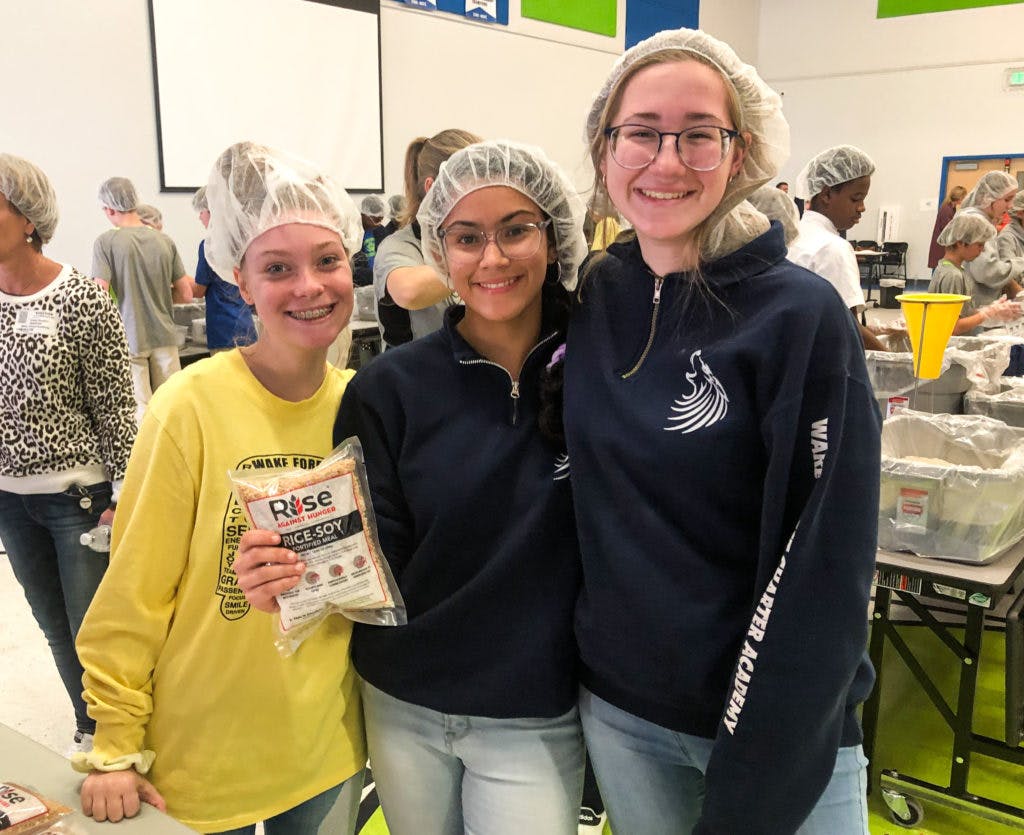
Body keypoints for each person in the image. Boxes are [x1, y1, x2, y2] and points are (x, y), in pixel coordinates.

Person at [566, 28, 881, 834]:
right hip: (625, 709)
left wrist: (771, 741)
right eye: (641, 133)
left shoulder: (798, 317)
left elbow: (829, 555)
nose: (666, 162)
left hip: (784, 722)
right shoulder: (597, 297)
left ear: (740, 153)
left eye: (698, 135)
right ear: (604, 149)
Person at [234, 139, 589, 835]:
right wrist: (286, 574)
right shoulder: (390, 388)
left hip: (535, 708)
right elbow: (371, 549)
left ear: (553, 239)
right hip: (404, 700)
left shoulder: (600, 373)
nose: (492, 258)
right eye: (467, 237)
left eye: (516, 230)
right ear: (438, 250)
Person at [72, 142, 367, 834]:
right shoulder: (190, 406)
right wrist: (115, 743)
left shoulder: (366, 403)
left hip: (325, 748)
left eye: (327, 260)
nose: (309, 286)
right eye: (277, 267)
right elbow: (135, 588)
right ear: (241, 280)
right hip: (202, 757)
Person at [0, 153, 136, 757]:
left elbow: (117, 408)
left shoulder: (80, 298)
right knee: (53, 626)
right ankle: (89, 728)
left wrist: (123, 498)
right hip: (9, 501)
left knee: (93, 631)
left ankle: (120, 735)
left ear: (28, 217)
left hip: (77, 501)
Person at [92, 177, 192, 424]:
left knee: (140, 413)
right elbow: (186, 294)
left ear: (110, 209)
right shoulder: (164, 241)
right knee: (173, 407)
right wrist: (158, 301)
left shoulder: (106, 242)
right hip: (165, 337)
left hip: (129, 338)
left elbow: (99, 293)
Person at [373, 128, 480, 349]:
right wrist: (482, 262)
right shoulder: (398, 246)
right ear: (433, 189)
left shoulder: (478, 241)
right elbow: (409, 291)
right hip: (410, 369)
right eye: (472, 185)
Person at [789, 145, 886, 350]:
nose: (862, 208)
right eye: (856, 198)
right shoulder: (833, 248)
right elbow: (848, 329)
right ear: (826, 194)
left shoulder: (795, 234)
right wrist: (898, 360)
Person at [928, 211, 1020, 335]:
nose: (982, 250)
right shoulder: (952, 276)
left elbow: (964, 314)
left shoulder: (951, 269)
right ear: (960, 243)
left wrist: (993, 312)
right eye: (979, 245)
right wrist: (985, 314)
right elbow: (952, 327)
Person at [190, 186, 257, 351]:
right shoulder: (241, 241)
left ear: (211, 211)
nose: (200, 217)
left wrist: (180, 283)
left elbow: (199, 291)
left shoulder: (209, 246)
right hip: (246, 326)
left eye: (201, 212)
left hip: (223, 330)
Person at [960, 171, 1023, 308]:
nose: (1010, 206)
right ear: (989, 197)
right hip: (974, 302)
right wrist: (1020, 263)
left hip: (979, 302)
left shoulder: (981, 219)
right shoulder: (977, 222)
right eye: (1007, 200)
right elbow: (986, 271)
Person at [927, 185, 966, 269]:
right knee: (940, 270)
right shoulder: (947, 209)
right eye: (964, 197)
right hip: (941, 246)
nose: (964, 199)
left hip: (943, 244)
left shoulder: (952, 208)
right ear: (959, 198)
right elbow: (948, 229)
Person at [352, 194, 387, 287]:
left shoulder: (381, 231)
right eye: (376, 219)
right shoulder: (353, 232)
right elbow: (353, 266)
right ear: (364, 215)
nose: (378, 224)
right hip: (360, 283)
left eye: (381, 219)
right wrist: (373, 275)